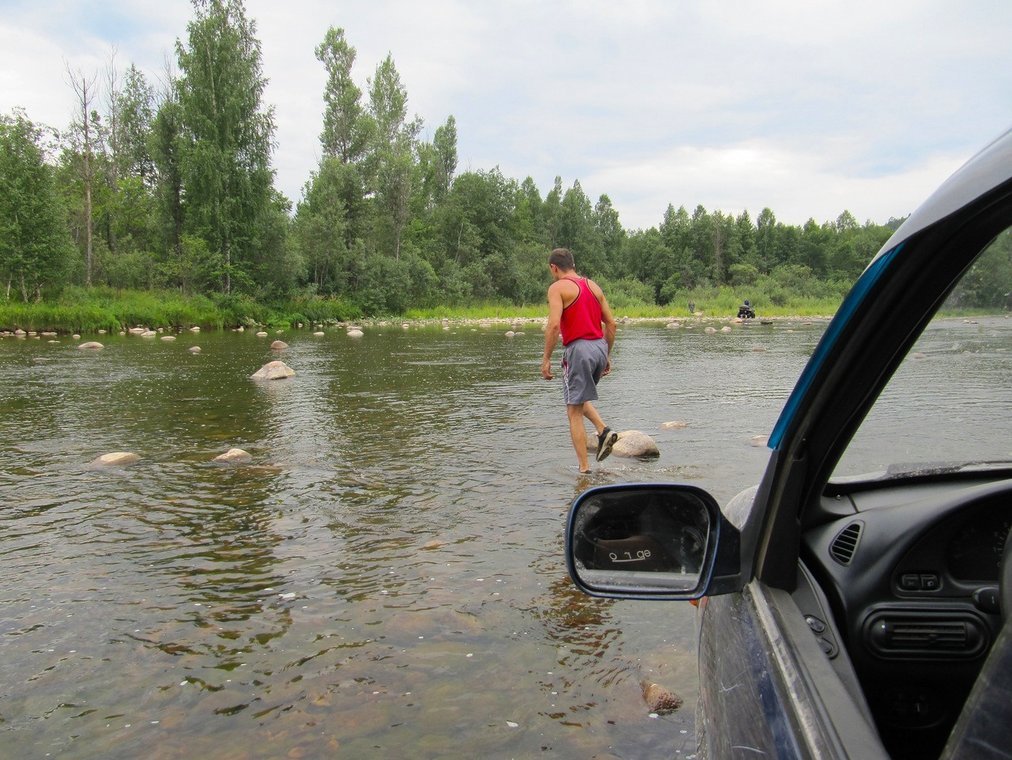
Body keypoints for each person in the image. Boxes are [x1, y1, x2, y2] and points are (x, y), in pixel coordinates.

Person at [541, 248, 619, 473]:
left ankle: (583, 470)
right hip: (599, 348)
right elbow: (611, 324)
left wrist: (546, 359)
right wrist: (606, 355)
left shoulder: (557, 288)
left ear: (554, 268)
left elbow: (554, 325)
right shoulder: (593, 286)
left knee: (572, 410)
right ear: (573, 264)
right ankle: (603, 430)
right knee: (578, 396)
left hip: (579, 350)